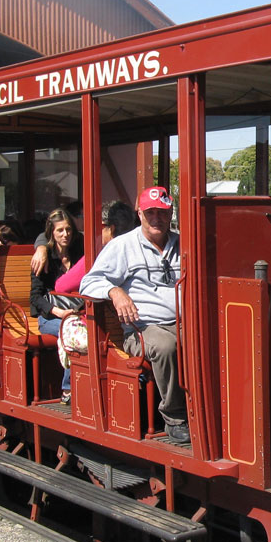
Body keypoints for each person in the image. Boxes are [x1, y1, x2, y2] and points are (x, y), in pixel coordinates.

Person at [80, 188, 188, 444]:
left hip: (185, 322)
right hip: (142, 329)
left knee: (207, 342)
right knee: (165, 346)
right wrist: (114, 291)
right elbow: (87, 283)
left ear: (171, 213)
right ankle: (175, 417)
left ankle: (204, 410)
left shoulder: (183, 242)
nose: (156, 219)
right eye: (150, 212)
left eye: (162, 213)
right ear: (140, 214)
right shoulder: (122, 246)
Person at [28, 208, 85, 404]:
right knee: (71, 333)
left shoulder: (80, 252)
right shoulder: (43, 258)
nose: (65, 234)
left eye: (68, 229)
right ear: (51, 232)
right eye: (60, 230)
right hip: (50, 316)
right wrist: (59, 312)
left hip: (78, 312)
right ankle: (68, 389)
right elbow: (35, 297)